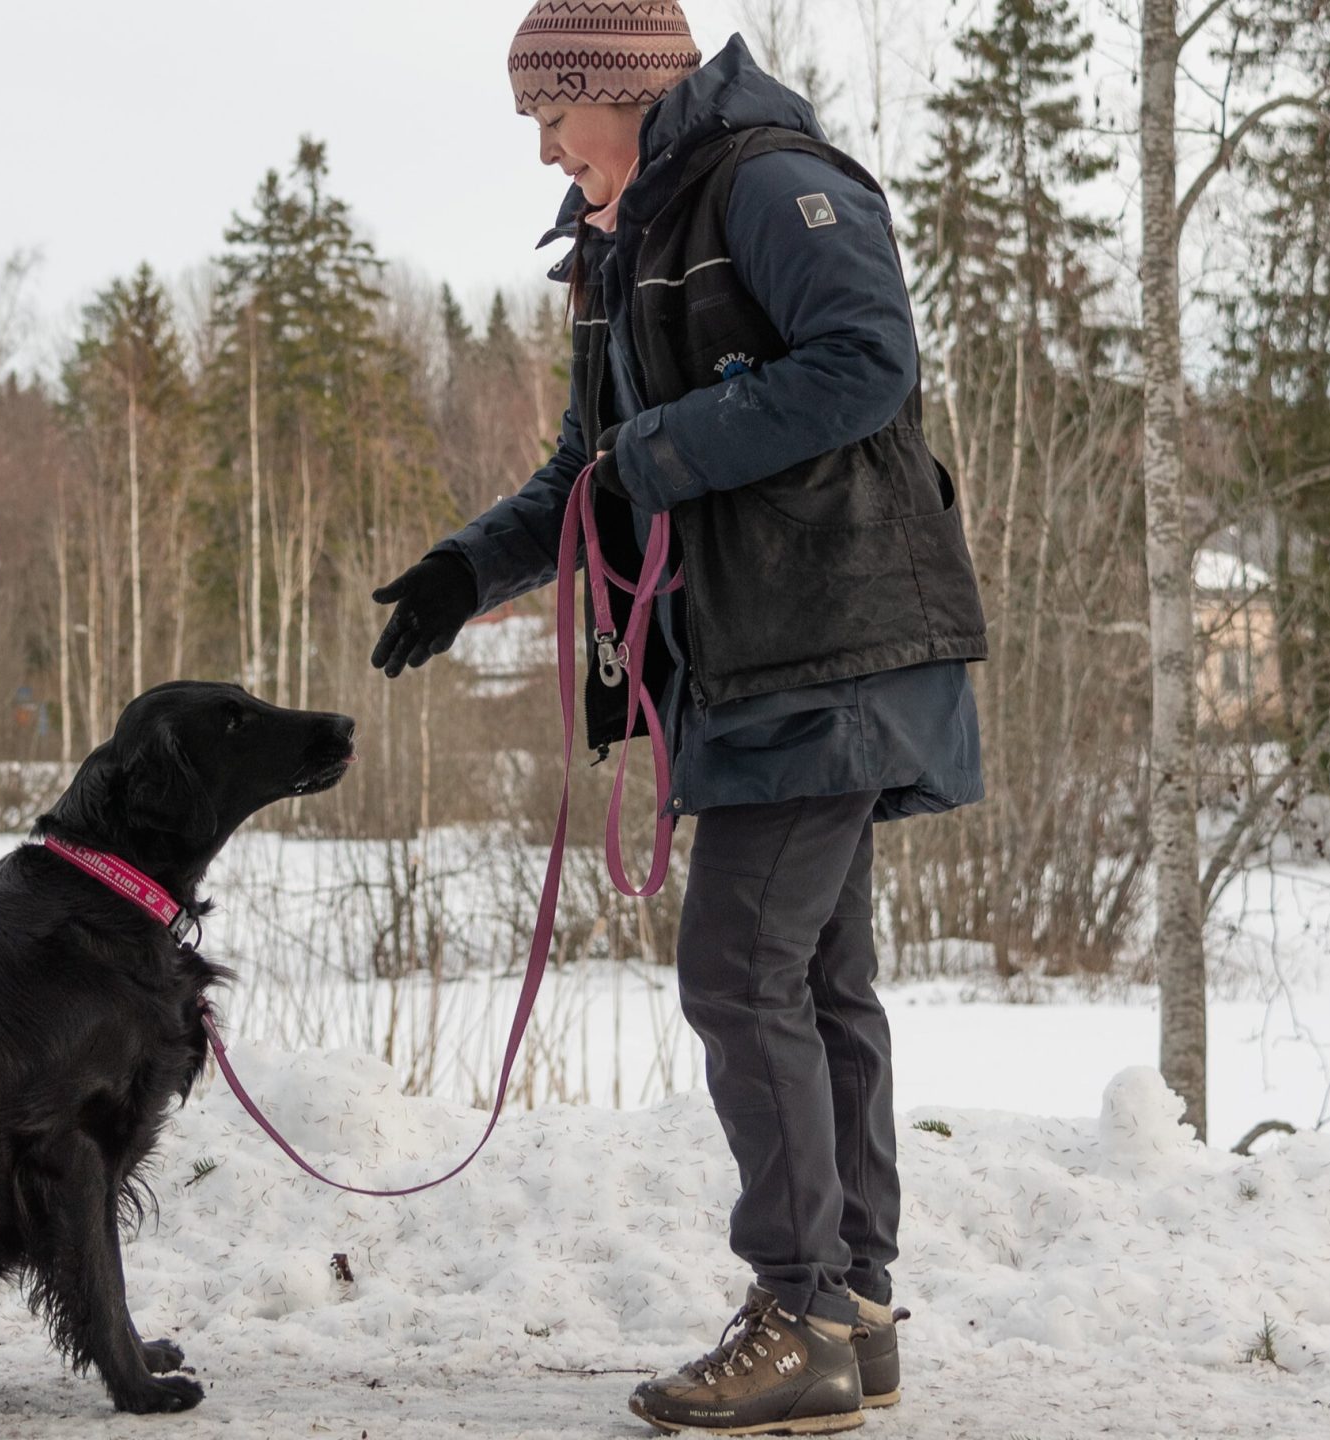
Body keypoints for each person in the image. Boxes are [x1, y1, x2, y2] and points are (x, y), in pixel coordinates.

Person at [368, 4, 988, 1434]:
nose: (544, 150)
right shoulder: (629, 236)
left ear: (627, 91)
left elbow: (865, 361)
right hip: (770, 654)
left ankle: (801, 1310)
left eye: (554, 116)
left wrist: (655, 450)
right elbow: (596, 471)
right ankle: (854, 1308)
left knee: (741, 970)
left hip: (830, 638)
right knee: (817, 978)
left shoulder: (765, 184)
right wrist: (475, 569)